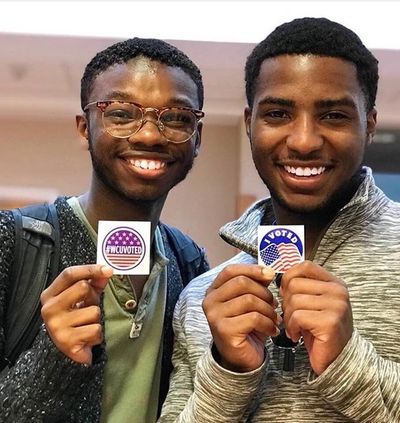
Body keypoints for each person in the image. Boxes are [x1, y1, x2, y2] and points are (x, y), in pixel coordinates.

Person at [159, 17, 400, 422]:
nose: (304, 141)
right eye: (278, 114)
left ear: (369, 125)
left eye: (334, 116)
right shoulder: (202, 297)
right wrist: (228, 370)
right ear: (250, 124)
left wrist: (348, 361)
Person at [0, 37, 209, 422]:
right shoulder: (14, 241)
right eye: (121, 113)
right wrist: (54, 357)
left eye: (177, 117)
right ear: (85, 128)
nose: (149, 134)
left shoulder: (190, 262)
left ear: (197, 138)